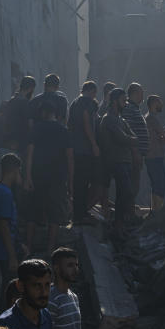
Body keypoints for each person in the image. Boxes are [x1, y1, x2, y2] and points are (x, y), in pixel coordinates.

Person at [25, 101, 74, 255]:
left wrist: (27, 176)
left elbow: (29, 154)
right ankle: (50, 249)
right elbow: (70, 158)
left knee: (32, 213)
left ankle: (27, 247)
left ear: (42, 113)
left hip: (38, 175)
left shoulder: (36, 129)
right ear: (55, 114)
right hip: (58, 178)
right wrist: (70, 182)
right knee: (54, 215)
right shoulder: (63, 130)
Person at [98, 89, 141, 233]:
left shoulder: (122, 120)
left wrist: (130, 140)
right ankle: (119, 222)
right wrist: (131, 140)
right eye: (123, 100)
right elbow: (121, 138)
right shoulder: (109, 119)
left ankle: (121, 222)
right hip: (115, 160)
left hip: (125, 160)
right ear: (115, 101)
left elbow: (133, 137)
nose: (126, 103)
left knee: (124, 192)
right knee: (126, 191)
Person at [0, 154, 25, 291]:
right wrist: (12, 256)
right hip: (4, 250)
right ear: (15, 171)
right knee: (10, 289)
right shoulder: (5, 193)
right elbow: (4, 226)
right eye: (20, 172)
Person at [67, 81, 100, 224]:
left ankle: (79, 213)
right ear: (91, 91)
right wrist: (94, 144)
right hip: (84, 149)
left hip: (75, 148)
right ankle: (81, 214)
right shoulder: (87, 102)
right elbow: (87, 121)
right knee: (85, 182)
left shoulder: (75, 103)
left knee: (78, 182)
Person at [121, 83, 150, 221]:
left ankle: (130, 209)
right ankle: (128, 212)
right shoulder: (128, 109)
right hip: (133, 154)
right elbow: (129, 131)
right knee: (132, 184)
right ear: (134, 93)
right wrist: (135, 152)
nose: (142, 96)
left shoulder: (135, 109)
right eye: (140, 92)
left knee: (135, 184)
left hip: (138, 153)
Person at [144, 95, 165, 213]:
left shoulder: (148, 117)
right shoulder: (152, 118)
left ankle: (154, 212)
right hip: (155, 157)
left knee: (156, 186)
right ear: (154, 103)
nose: (162, 105)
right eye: (160, 102)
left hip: (152, 157)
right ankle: (157, 213)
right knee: (160, 186)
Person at [4, 76, 36, 152]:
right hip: (21, 140)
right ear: (31, 88)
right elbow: (30, 124)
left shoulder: (11, 101)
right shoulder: (26, 103)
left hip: (9, 138)